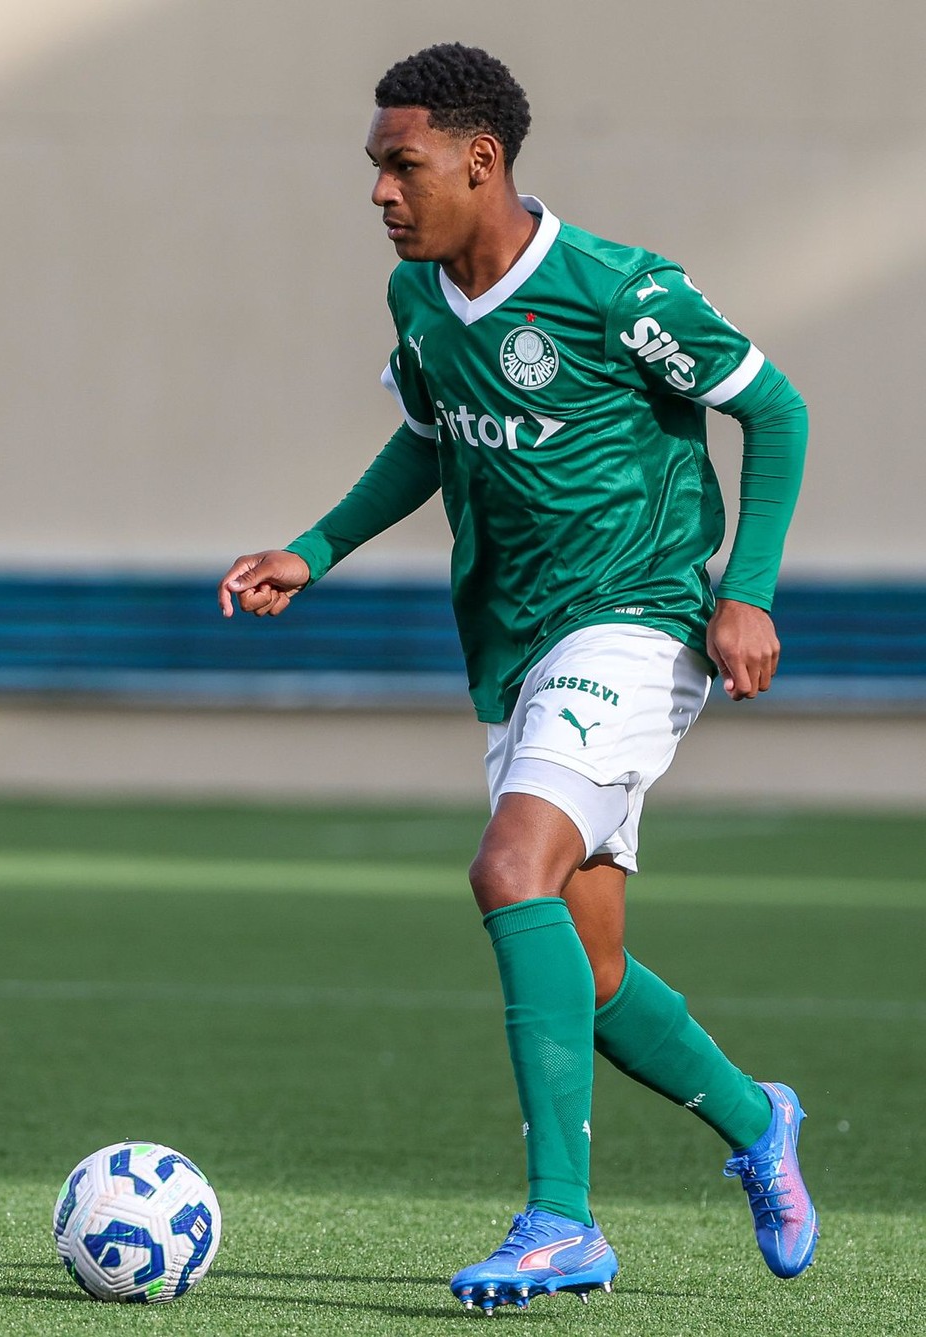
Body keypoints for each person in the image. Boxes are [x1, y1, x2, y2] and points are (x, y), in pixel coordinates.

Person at [218, 43, 817, 1315]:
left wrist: (747, 586)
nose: (381, 191)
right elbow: (427, 438)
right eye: (376, 167)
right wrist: (313, 549)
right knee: (588, 972)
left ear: (480, 159)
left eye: (402, 164)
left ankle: (560, 1222)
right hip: (513, 645)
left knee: (506, 870)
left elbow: (778, 410)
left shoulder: (619, 289)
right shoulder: (423, 300)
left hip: (636, 621)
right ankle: (758, 1119)